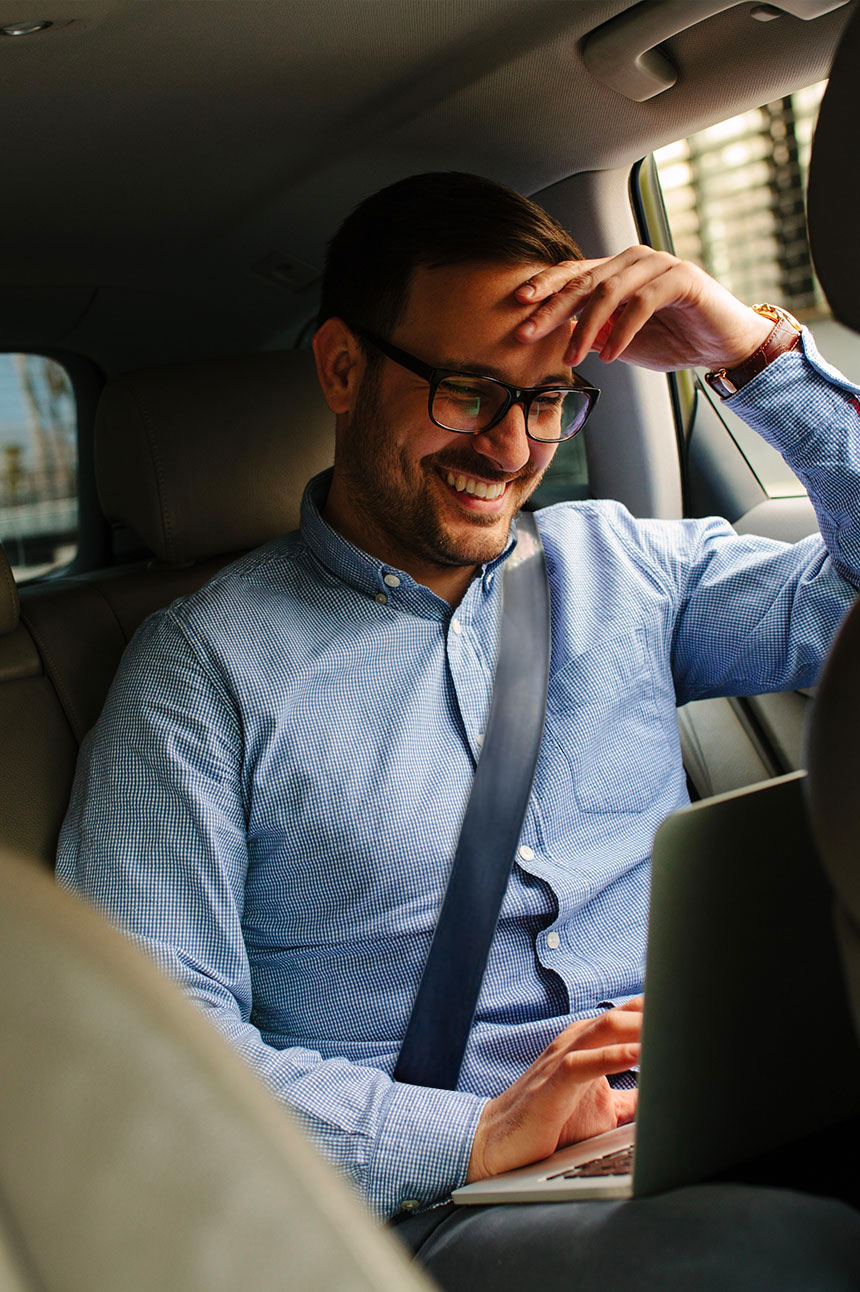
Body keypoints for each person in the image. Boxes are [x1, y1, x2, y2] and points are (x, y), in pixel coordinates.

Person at [57, 172, 860, 1288]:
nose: (511, 446)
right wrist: (470, 1138)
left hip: (730, 1105)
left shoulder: (623, 566)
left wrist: (753, 359)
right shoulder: (199, 674)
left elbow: (849, 609)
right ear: (343, 368)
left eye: (547, 399)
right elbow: (138, 1053)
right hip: (442, 1208)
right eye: (468, 390)